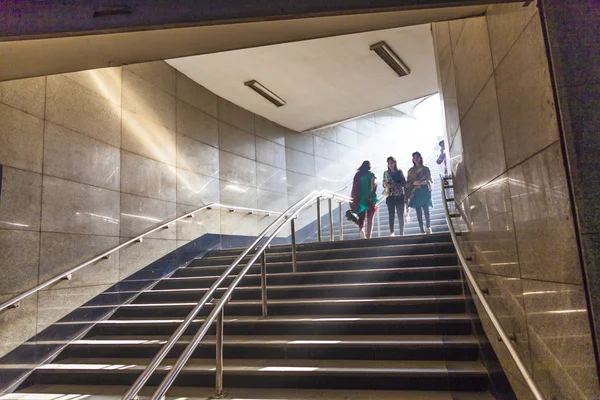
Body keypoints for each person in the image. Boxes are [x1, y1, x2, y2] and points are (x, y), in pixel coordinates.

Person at [406, 151, 433, 234]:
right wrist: (414, 183)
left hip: (424, 190)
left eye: (417, 157)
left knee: (426, 209)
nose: (416, 159)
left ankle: (428, 227)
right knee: (418, 211)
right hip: (415, 192)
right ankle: (421, 229)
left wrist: (423, 182)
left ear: (420, 158)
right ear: (413, 159)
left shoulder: (426, 169)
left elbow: (430, 180)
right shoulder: (410, 171)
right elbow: (408, 182)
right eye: (414, 158)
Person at [350, 160, 378, 239]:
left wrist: (353, 198)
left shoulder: (358, 175)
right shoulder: (371, 174)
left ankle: (361, 229)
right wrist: (374, 189)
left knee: (361, 218)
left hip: (360, 199)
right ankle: (369, 236)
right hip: (370, 198)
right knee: (370, 218)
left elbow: (354, 187)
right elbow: (373, 185)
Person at [383, 156, 406, 236]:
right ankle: (392, 232)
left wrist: (398, 183)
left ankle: (401, 232)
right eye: (389, 163)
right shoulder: (386, 173)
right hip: (390, 196)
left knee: (400, 215)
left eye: (392, 163)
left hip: (399, 195)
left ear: (395, 163)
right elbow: (384, 183)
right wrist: (386, 185)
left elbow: (404, 183)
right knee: (391, 214)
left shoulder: (400, 172)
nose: (390, 165)